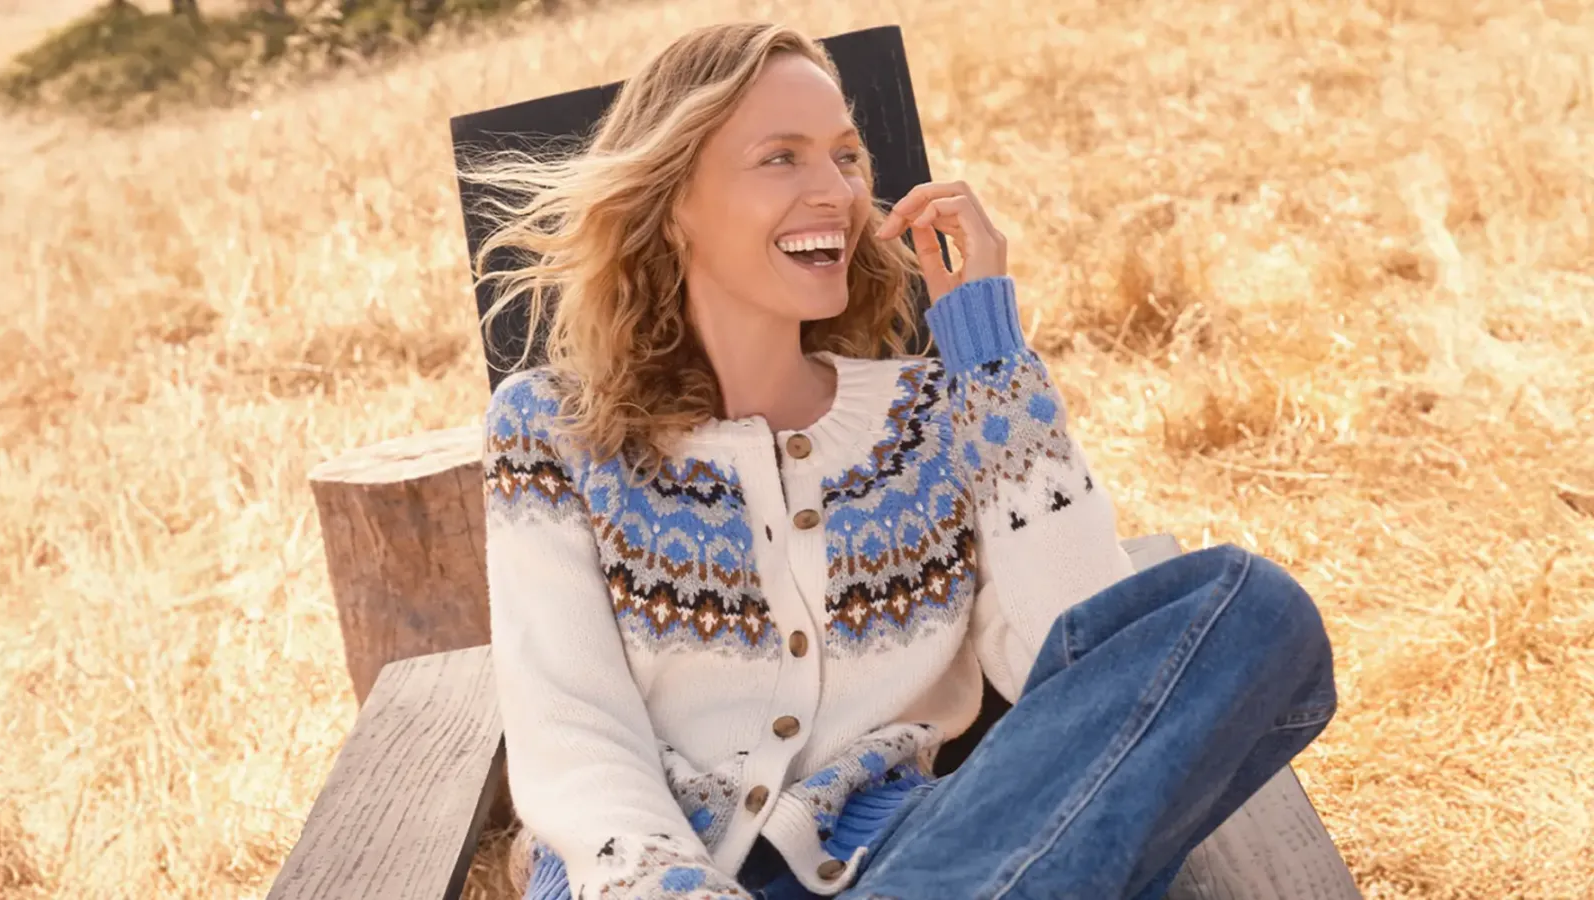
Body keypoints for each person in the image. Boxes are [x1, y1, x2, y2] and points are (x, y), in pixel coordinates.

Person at [469, 21, 1337, 900]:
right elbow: (569, 724)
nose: (837, 193)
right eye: (782, 158)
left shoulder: (937, 417)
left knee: (1251, 609)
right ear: (673, 199)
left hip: (920, 863)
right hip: (653, 873)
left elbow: (1073, 667)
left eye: (847, 157)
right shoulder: (554, 429)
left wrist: (991, 363)